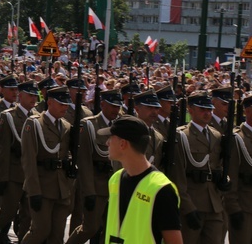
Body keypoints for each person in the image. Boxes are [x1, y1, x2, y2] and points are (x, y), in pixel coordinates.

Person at [101, 115, 182, 244]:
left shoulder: (162, 189)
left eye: (111, 138)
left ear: (123, 144)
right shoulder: (115, 179)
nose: (107, 143)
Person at [0, 80, 39, 244]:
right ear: (21, 96)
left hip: (29, 174)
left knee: (28, 214)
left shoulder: (37, 117)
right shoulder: (9, 116)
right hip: (13, 171)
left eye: (35, 96)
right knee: (8, 211)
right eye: (30, 95)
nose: (33, 99)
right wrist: (1, 177)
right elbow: (3, 150)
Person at [66, 88, 122, 244]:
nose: (115, 110)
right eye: (112, 106)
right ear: (103, 104)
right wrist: (88, 191)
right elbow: (84, 161)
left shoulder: (121, 125)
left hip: (114, 186)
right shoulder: (90, 125)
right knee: (90, 228)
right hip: (96, 186)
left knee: (109, 231)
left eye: (118, 106)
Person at [20, 85, 74, 244]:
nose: (65, 107)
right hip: (42, 187)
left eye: (66, 104)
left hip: (61, 188)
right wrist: (33, 191)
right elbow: (29, 161)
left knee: (57, 235)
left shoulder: (66, 126)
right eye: (61, 104)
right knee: (40, 231)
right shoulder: (35, 123)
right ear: (50, 102)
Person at [173, 92, 226, 243]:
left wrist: (224, 180)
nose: (207, 113)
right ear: (190, 109)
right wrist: (187, 207)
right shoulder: (182, 136)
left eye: (209, 110)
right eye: (202, 109)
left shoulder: (216, 135)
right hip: (193, 203)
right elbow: (178, 176)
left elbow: (218, 167)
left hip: (214, 204)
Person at [224, 94, 252, 242]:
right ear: (247, 111)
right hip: (245, 206)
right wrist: (233, 208)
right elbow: (231, 175)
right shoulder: (238, 138)